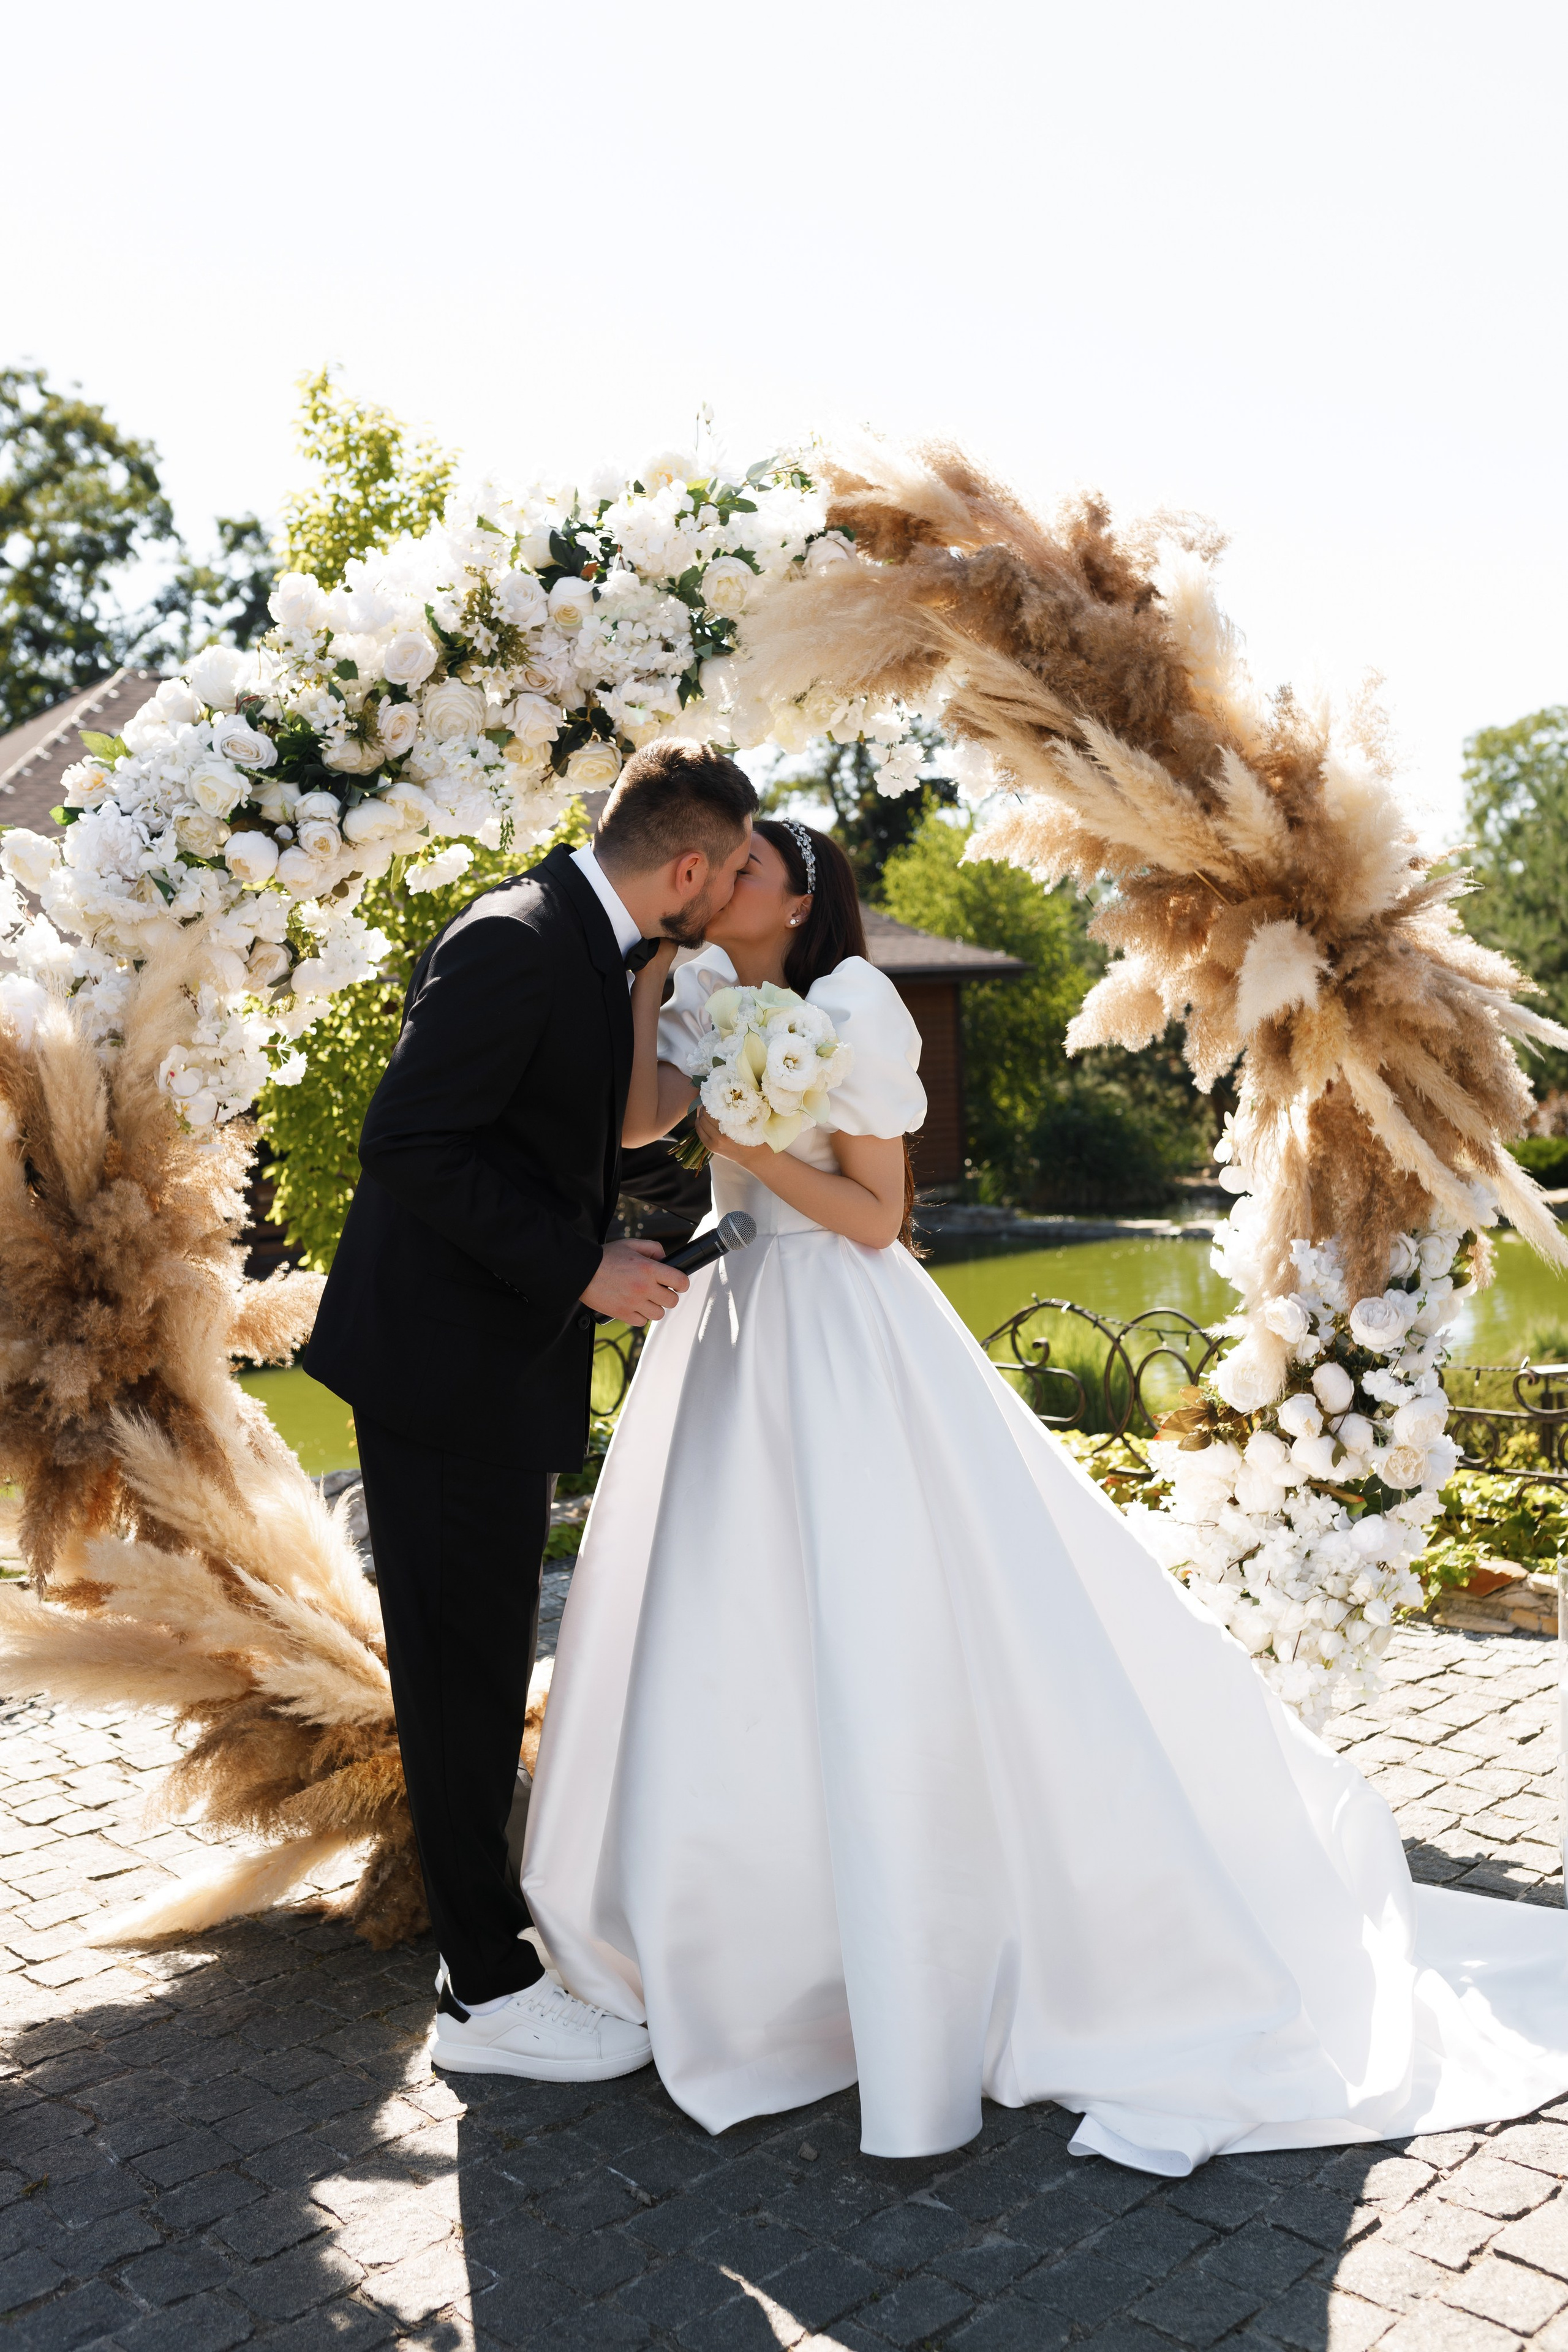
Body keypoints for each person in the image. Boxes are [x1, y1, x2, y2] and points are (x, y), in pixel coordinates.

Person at [522, 817, 1568, 2175]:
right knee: (728, 1632)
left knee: (882, 1622)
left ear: (798, 900)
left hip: (838, 1325)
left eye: (744, 872)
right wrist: (657, 977)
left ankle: (927, 1947)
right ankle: (735, 1946)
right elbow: (630, 1123)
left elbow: (877, 1216)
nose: (717, 883)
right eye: (709, 872)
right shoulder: (706, 991)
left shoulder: (850, 1005)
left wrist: (754, 1148)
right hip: (727, 1344)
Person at [306, 739, 756, 2081]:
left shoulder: (579, 939)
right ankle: (485, 1999)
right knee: (458, 1682)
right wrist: (581, 1265)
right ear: (686, 865)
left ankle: (492, 1958)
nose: (730, 888)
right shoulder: (517, 938)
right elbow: (411, 1142)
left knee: (480, 1666)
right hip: (443, 1376)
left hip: (484, 1366)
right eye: (728, 869)